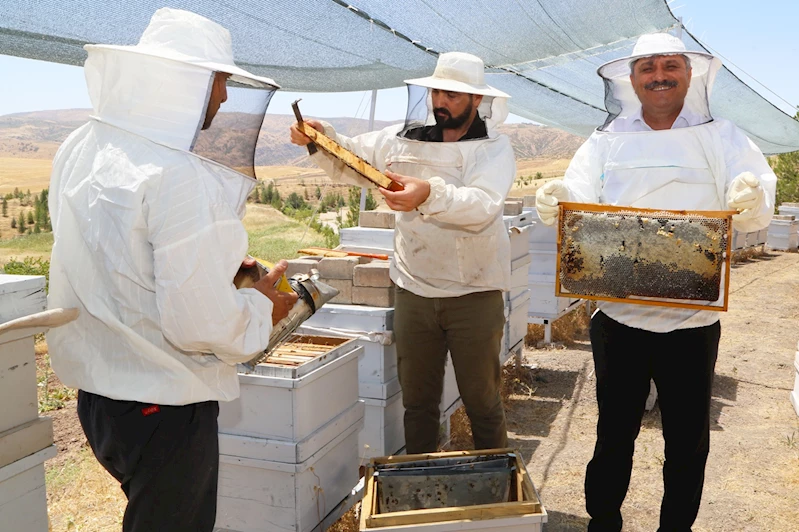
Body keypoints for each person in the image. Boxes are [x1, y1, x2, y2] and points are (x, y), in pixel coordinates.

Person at [46, 8, 297, 532]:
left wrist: (220, 269)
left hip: (101, 401)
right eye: (219, 80)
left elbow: (112, 257)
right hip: (165, 404)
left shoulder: (81, 147)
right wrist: (262, 308)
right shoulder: (180, 175)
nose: (223, 97)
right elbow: (200, 325)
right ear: (186, 81)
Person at [535, 33, 776, 531]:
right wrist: (558, 197)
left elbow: (755, 197)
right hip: (619, 319)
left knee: (687, 443)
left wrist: (752, 197)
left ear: (691, 74)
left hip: (691, 323)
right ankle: (603, 522)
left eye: (670, 65)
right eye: (648, 67)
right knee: (612, 435)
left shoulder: (723, 136)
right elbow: (577, 194)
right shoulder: (606, 140)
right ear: (632, 79)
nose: (659, 75)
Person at [290, 52, 516, 453]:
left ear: (477, 100)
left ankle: (496, 480)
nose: (440, 102)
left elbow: (483, 205)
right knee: (418, 403)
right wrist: (322, 138)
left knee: (482, 401)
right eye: (436, 92)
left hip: (474, 292)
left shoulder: (493, 148)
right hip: (414, 288)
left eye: (452, 95)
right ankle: (420, 480)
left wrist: (428, 193)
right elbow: (355, 159)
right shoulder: (401, 138)